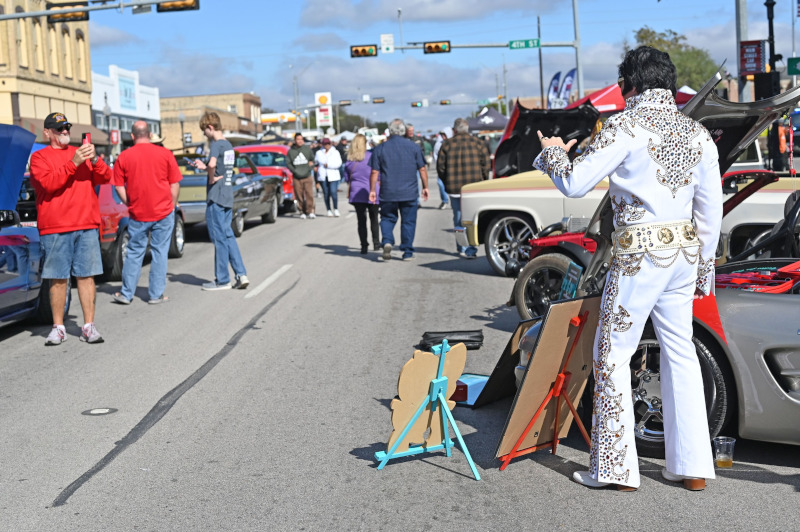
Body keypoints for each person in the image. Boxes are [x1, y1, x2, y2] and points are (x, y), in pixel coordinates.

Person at [533, 46, 722, 491]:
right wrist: (704, 266)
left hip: (639, 255)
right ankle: (693, 467)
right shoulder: (697, 132)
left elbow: (574, 183)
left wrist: (553, 154)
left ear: (629, 84)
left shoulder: (624, 125)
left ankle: (615, 470)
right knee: (681, 353)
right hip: (683, 253)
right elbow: (710, 209)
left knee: (612, 354)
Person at [29, 112, 113, 345]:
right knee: (58, 278)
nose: (65, 131)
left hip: (86, 224)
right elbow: (49, 184)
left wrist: (95, 160)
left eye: (67, 127)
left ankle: (88, 326)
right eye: (59, 128)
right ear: (47, 132)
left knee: (87, 276)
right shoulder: (39, 157)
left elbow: (107, 177)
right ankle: (58, 327)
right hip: (55, 227)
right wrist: (74, 162)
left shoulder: (82, 153)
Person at [111, 121, 182, 305]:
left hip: (138, 213)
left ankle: (126, 294)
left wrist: (130, 203)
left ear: (132, 136)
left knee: (134, 252)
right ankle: (155, 295)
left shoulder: (124, 156)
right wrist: (172, 205)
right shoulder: (165, 154)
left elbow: (118, 186)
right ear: (150, 135)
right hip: (163, 211)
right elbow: (174, 183)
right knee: (160, 252)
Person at [192, 112, 249, 291]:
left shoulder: (216, 145)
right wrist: (206, 167)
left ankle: (222, 280)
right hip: (227, 195)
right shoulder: (228, 145)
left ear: (210, 127)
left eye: (204, 130)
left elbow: (212, 165)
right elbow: (218, 167)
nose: (204, 134)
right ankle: (241, 274)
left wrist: (211, 177)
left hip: (216, 196)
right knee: (228, 235)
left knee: (219, 238)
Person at [369, 118, 429, 261]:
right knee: (408, 221)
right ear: (403, 131)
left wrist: (372, 190)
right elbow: (422, 169)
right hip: (409, 192)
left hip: (388, 191)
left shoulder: (380, 148)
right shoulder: (413, 147)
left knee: (387, 218)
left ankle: (387, 240)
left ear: (389, 131)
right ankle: (407, 252)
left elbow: (374, 172)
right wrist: (425, 187)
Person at [437, 118, 489, 258]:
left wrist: (447, 181)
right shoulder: (478, 143)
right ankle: (471, 249)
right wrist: (484, 181)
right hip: (474, 188)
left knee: (458, 217)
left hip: (455, 189)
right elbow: (486, 165)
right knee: (472, 218)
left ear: (455, 130)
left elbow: (440, 168)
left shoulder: (447, 144)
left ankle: (462, 246)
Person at [344, 134, 380, 254]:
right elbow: (378, 174)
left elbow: (346, 178)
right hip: (372, 190)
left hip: (356, 192)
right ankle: (376, 243)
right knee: (374, 218)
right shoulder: (371, 156)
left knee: (361, 221)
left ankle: (364, 246)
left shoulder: (349, 160)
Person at [287, 132, 316, 219]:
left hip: (307, 175)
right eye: (298, 139)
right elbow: (288, 163)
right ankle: (302, 211)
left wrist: (310, 167)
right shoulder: (291, 151)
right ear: (295, 140)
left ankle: (310, 211)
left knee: (309, 194)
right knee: (299, 195)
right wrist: (294, 171)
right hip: (297, 177)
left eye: (301, 139)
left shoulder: (307, 149)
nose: (300, 141)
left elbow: (313, 160)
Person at [315, 138, 343, 217]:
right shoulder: (319, 153)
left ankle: (336, 208)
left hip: (333, 175)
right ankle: (328, 209)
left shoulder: (335, 152)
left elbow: (338, 163)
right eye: (325, 144)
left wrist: (328, 165)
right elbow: (316, 162)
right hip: (323, 176)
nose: (327, 145)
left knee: (333, 192)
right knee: (326, 193)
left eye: (328, 144)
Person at [432, 127, 452, 209]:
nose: (443, 137)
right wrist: (439, 163)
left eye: (445, 135)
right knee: (440, 184)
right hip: (442, 168)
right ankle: (444, 200)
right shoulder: (438, 144)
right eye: (442, 135)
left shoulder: (453, 143)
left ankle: (454, 201)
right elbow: (435, 154)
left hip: (451, 168)